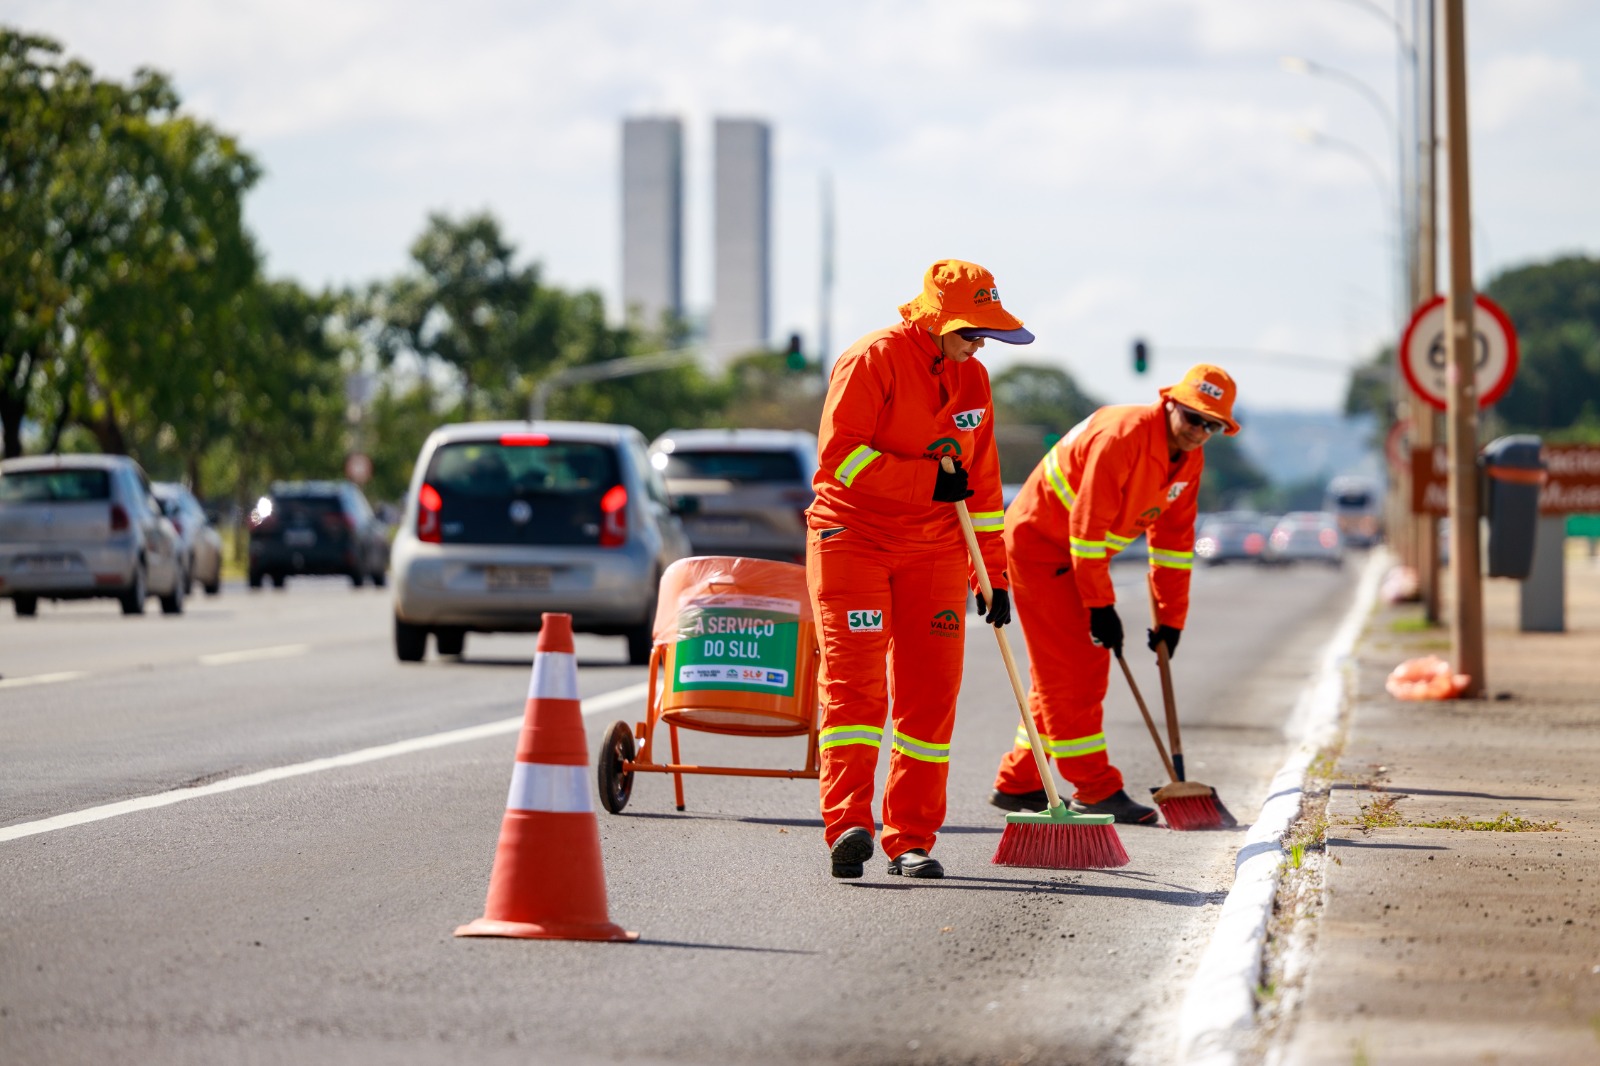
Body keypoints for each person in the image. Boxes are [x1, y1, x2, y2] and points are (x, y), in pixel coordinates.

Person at [807, 259, 1031, 880]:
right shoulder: (871, 359)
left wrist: (994, 577)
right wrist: (926, 479)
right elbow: (839, 460)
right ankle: (848, 823)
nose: (978, 343)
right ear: (936, 320)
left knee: (930, 700)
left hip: (936, 550)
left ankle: (911, 839)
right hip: (853, 537)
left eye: (985, 333)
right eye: (969, 330)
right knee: (857, 690)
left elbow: (982, 491)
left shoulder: (974, 381)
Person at [988, 364, 1240, 824]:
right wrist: (1100, 606)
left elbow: (1174, 545)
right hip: (1041, 547)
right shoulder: (1122, 436)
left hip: (1077, 554)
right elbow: (1085, 530)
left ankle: (1019, 781)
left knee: (1057, 677)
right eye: (1194, 418)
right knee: (1077, 670)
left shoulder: (1189, 458)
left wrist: (1170, 620)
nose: (1200, 431)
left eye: (1212, 425)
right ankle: (1095, 788)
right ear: (1171, 405)